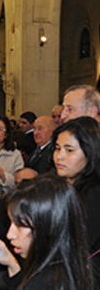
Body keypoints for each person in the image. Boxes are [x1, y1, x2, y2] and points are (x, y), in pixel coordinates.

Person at [0, 174, 93, 290]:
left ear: (46, 227)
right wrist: (12, 263)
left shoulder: (43, 282)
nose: (9, 234)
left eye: (20, 225)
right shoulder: (69, 265)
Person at [51, 116, 100, 286]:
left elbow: (77, 246)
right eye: (57, 148)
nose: (59, 157)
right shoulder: (59, 186)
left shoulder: (94, 195)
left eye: (69, 150)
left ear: (90, 152)